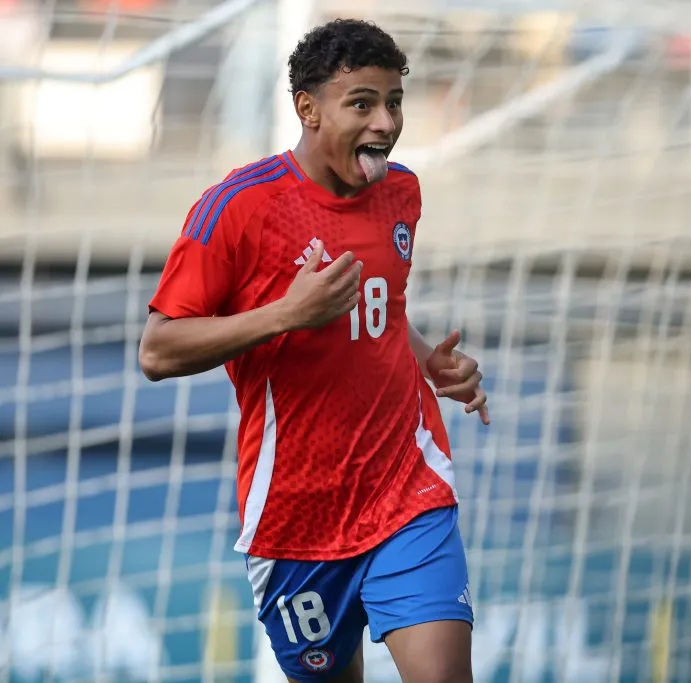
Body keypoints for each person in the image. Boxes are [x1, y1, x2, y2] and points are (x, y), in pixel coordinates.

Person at [138, 18, 487, 683]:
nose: (385, 122)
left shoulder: (401, 193)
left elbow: (383, 311)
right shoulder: (238, 207)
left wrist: (427, 361)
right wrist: (285, 315)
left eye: (394, 103)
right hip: (296, 518)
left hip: (406, 491)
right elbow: (157, 350)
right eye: (362, 103)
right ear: (308, 108)